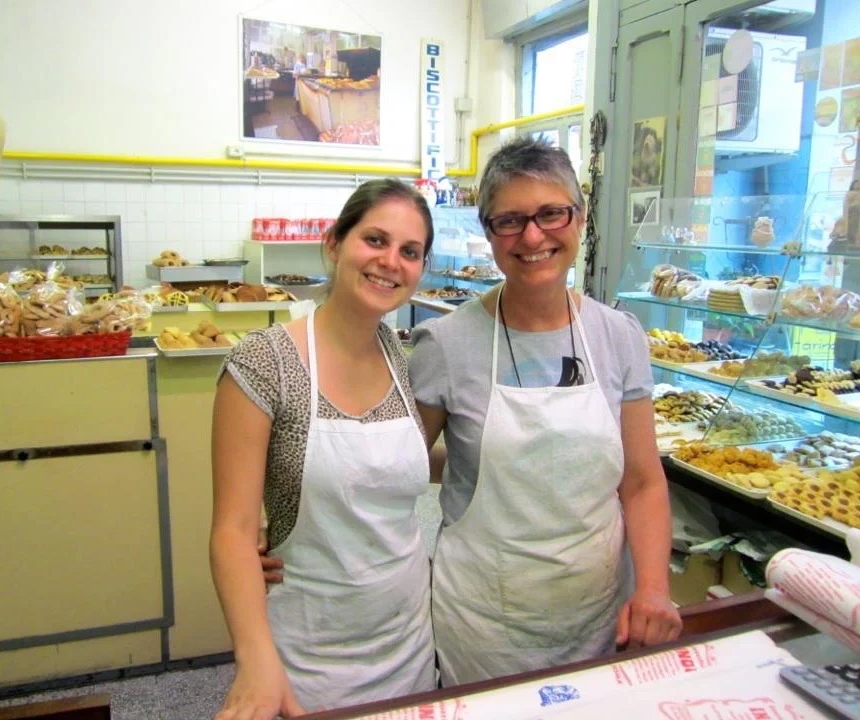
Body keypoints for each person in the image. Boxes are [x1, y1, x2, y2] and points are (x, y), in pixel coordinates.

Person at [409, 136, 682, 686]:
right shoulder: (446, 343)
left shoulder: (618, 336)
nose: (532, 236)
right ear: (488, 233)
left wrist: (654, 587)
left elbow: (642, 482)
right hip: (484, 617)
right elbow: (396, 467)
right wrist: (288, 523)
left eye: (551, 213)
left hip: (600, 607)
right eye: (509, 220)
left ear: (579, 219)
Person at [210, 179, 437, 719]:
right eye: (375, 240)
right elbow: (232, 531)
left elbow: (397, 465)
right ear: (335, 243)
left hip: (408, 637)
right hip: (309, 651)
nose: (390, 262)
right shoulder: (263, 365)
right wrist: (255, 659)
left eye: (410, 252)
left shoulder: (403, 358)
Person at [631, 123, 662, 187]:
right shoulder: (636, 156)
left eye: (651, 141)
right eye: (647, 140)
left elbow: (656, 180)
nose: (648, 143)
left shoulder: (657, 160)